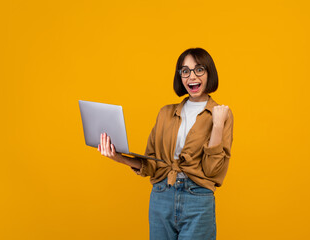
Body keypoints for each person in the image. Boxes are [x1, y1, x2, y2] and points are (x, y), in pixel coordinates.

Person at [99, 47, 234, 240]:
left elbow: (212, 170)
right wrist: (118, 157)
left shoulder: (222, 114)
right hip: (162, 196)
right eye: (185, 71)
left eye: (199, 69)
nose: (191, 76)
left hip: (198, 198)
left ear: (209, 73)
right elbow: (151, 165)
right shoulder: (165, 113)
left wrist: (218, 125)